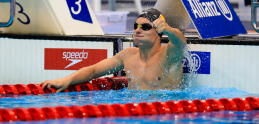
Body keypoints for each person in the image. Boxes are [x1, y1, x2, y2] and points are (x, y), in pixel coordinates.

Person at [41, 8, 187, 92]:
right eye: (136, 26)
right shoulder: (128, 55)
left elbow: (181, 41)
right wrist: (67, 80)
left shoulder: (169, 54)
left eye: (145, 27)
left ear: (160, 32)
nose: (137, 30)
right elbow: (94, 70)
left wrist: (170, 30)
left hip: (164, 114)